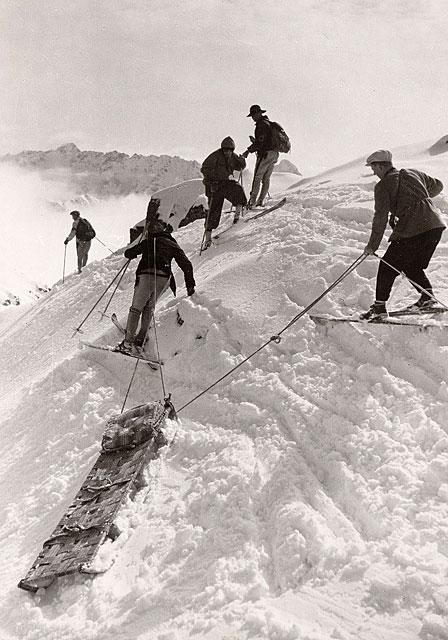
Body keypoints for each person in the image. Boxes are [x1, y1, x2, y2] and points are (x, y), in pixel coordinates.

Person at [361, 149, 445, 320]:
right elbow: (438, 185)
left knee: (387, 266)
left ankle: (379, 308)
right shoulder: (414, 173)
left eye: (373, 168)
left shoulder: (383, 185)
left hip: (414, 229)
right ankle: (427, 298)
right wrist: (417, 199)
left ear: (380, 166)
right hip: (435, 226)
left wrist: (372, 246)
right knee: (410, 265)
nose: (373, 172)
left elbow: (380, 218)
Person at [118, 215, 195, 356]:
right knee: (148, 309)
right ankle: (139, 341)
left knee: (136, 309)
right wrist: (190, 286)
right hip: (163, 279)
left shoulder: (150, 241)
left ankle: (128, 343)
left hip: (146, 275)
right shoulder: (172, 243)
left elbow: (128, 253)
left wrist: (140, 244)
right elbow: (186, 264)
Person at [201, 137, 247, 249]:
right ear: (222, 149)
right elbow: (204, 169)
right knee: (213, 211)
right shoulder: (215, 156)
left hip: (224, 183)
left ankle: (237, 214)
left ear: (232, 150)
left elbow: (239, 166)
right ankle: (208, 238)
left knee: (238, 189)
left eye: (230, 150)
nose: (227, 152)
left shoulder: (232, 156)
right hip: (213, 186)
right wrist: (212, 180)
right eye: (225, 150)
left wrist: (242, 161)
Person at [244, 105, 279, 209]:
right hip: (274, 153)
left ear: (259, 113)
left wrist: (248, 151)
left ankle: (252, 202)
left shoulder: (261, 125)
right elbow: (264, 141)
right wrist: (255, 142)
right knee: (266, 178)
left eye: (254, 114)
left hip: (265, 155)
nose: (253, 117)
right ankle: (260, 201)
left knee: (257, 178)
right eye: (252, 115)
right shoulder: (268, 123)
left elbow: (260, 142)